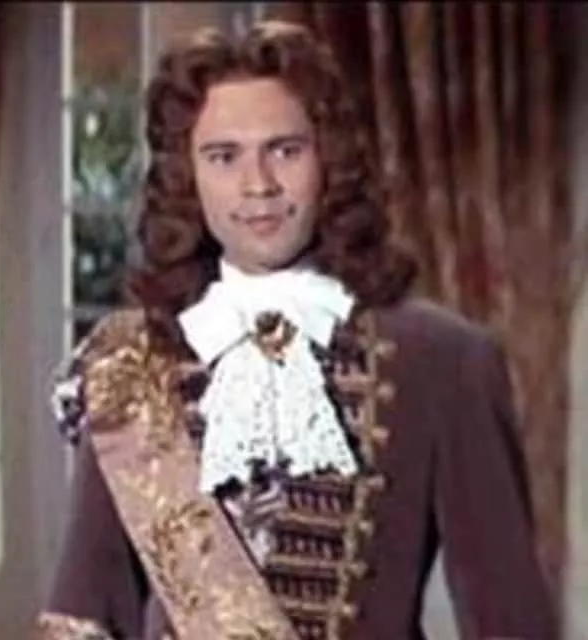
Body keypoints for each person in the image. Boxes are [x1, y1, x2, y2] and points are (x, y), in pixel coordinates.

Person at [35, 20, 557, 640]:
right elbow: (85, 615)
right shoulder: (129, 363)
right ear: (186, 176)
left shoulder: (443, 360)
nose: (257, 185)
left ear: (329, 160)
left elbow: (510, 620)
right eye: (223, 157)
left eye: (285, 150)